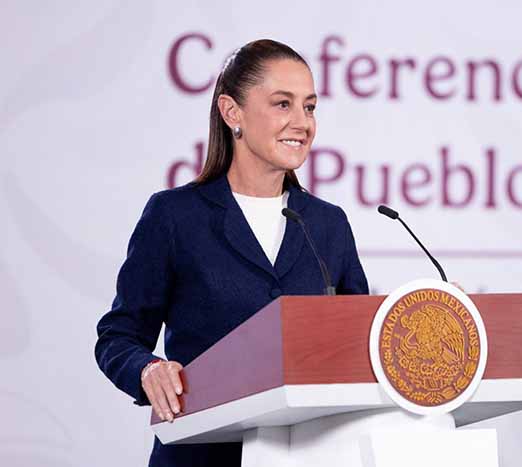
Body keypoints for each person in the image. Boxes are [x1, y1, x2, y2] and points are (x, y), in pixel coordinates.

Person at [95, 39, 369, 467]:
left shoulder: (327, 224)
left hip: (309, 455)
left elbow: (359, 343)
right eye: (283, 104)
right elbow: (118, 336)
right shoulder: (175, 216)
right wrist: (148, 370)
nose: (303, 123)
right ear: (231, 112)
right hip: (200, 457)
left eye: (310, 107)